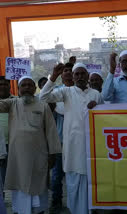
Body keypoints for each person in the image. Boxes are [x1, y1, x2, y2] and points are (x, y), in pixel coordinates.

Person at [0, 74, 61, 214]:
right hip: (18, 158)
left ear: (34, 88)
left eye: (29, 85)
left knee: (39, 193)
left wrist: (53, 154)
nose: (26, 88)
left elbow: (51, 131)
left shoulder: (43, 106)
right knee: (20, 190)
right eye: (23, 85)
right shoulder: (12, 103)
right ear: (18, 89)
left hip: (39, 157)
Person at [39, 62, 104, 214]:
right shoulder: (66, 92)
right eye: (77, 74)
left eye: (83, 74)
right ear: (72, 77)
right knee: (74, 183)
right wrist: (53, 76)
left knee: (91, 182)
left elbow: (104, 119)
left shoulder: (96, 95)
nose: (80, 77)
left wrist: (98, 107)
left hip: (92, 147)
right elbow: (43, 97)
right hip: (73, 147)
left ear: (88, 76)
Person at [49, 62, 74, 213]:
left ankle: (76, 200)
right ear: (61, 74)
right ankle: (56, 201)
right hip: (60, 141)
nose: (68, 73)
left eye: (71, 71)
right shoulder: (56, 92)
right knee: (57, 174)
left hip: (78, 141)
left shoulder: (81, 91)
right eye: (65, 71)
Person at [0, 76, 15, 189]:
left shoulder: (17, 101)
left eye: (5, 84)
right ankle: (1, 203)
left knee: (18, 174)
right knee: (0, 178)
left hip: (16, 144)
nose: (2, 86)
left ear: (9, 87)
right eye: (0, 84)